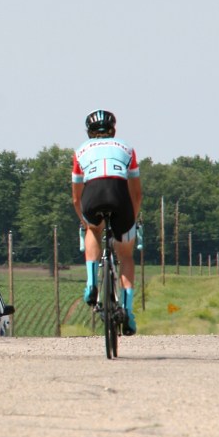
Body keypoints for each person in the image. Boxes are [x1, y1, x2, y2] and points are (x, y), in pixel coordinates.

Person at [71, 109, 143, 335]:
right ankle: (128, 313)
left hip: (92, 197)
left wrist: (85, 222)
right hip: (120, 198)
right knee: (126, 256)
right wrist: (132, 219)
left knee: (92, 230)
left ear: (89, 132)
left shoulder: (80, 151)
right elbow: (137, 194)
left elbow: (75, 197)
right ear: (113, 131)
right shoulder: (127, 148)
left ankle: (92, 284)